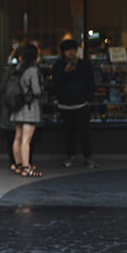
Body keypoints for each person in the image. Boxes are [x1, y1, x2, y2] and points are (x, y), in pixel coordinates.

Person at [51, 39, 98, 168]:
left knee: (84, 133)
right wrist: (64, 72)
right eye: (67, 50)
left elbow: (91, 83)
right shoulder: (59, 65)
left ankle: (88, 157)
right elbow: (55, 82)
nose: (71, 52)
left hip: (81, 105)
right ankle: (70, 157)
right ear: (63, 52)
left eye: (73, 49)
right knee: (68, 133)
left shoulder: (84, 65)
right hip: (65, 104)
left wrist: (88, 100)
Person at [10, 43, 43, 177]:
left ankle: (18, 165)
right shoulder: (32, 70)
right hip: (29, 108)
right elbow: (36, 90)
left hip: (17, 106)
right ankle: (26, 167)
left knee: (17, 137)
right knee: (26, 139)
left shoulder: (16, 69)